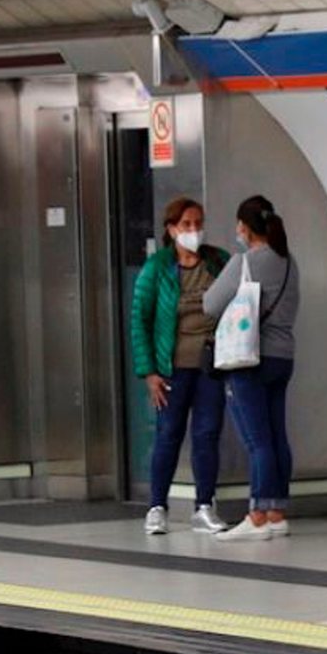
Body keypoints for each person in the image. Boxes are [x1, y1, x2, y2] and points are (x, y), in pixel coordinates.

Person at [200, 195, 300, 542]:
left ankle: (257, 515)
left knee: (257, 441)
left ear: (244, 227)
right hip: (282, 357)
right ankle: (277, 513)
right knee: (276, 436)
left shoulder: (245, 262)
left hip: (248, 358)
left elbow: (210, 303)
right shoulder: (289, 262)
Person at [130, 196, 230, 535]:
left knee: (207, 434)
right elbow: (139, 320)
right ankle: (157, 506)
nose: (193, 230)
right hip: (171, 368)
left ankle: (204, 506)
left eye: (198, 223)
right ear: (171, 229)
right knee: (168, 434)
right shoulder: (157, 268)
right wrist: (149, 373)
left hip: (211, 365)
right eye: (186, 224)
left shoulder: (218, 261)